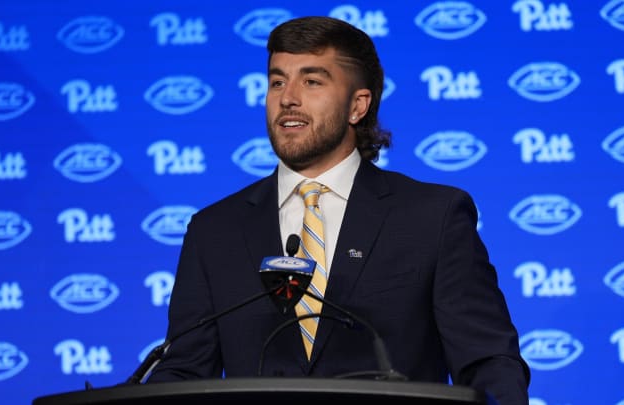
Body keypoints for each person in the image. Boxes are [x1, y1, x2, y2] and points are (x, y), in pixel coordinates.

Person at [145, 16, 530, 404]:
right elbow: (185, 369)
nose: (288, 98)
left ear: (357, 106)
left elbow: (489, 361)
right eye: (277, 81)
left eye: (312, 82)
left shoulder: (432, 217)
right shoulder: (215, 230)